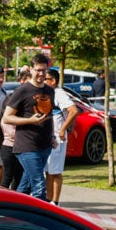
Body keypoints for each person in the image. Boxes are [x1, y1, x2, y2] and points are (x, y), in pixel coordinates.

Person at [2, 55, 55, 200]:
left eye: (44, 70)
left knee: (26, 186)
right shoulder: (22, 90)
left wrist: (53, 137)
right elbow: (7, 117)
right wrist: (29, 120)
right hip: (27, 146)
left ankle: (13, 213)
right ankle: (40, 220)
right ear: (31, 69)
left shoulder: (50, 91)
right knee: (39, 187)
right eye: (38, 70)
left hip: (45, 145)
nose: (41, 74)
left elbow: (49, 117)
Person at [42, 69, 80, 205]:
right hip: (47, 138)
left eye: (45, 78)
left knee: (55, 171)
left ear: (52, 81)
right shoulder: (48, 93)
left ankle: (55, 201)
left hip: (57, 139)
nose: (42, 79)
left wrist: (63, 129)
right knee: (48, 172)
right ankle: (48, 200)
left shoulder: (59, 94)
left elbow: (74, 110)